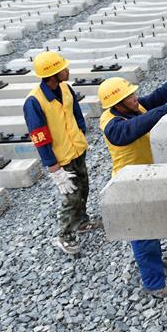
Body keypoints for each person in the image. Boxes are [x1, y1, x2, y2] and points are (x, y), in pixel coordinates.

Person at [98, 53, 167, 298]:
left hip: (143, 175)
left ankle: (155, 263)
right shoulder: (112, 125)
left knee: (150, 223)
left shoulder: (132, 108)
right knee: (142, 232)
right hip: (129, 183)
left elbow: (158, 94)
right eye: (129, 96)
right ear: (116, 103)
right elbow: (133, 129)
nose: (135, 97)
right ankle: (154, 285)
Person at [23, 51, 101, 255]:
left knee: (83, 188)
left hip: (77, 150)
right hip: (61, 158)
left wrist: (80, 134)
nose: (67, 71)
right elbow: (38, 136)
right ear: (52, 75)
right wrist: (54, 167)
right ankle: (63, 236)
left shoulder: (66, 88)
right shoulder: (34, 102)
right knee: (71, 197)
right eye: (63, 69)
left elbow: (76, 115)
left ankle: (82, 221)